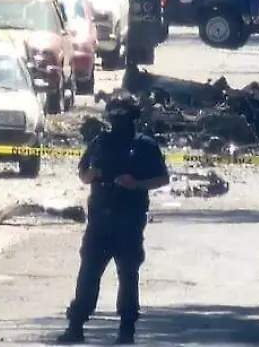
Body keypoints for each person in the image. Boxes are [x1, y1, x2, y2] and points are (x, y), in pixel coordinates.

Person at [56, 94, 170, 345]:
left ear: (133, 117)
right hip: (99, 221)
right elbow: (83, 172)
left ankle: (127, 329)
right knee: (88, 273)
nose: (118, 121)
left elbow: (162, 178)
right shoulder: (100, 142)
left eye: (123, 116)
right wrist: (91, 174)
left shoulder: (144, 145)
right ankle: (76, 325)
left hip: (129, 221)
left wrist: (136, 184)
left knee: (128, 275)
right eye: (115, 115)